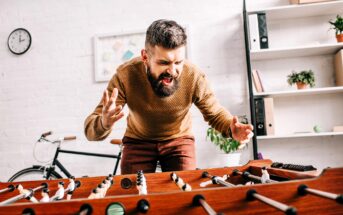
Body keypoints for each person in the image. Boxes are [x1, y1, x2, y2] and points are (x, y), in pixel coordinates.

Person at [84, 19, 254, 174]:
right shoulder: (125, 75)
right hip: (138, 141)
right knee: (132, 194)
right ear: (145, 57)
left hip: (178, 140)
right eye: (164, 63)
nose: (172, 71)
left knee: (183, 192)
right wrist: (104, 123)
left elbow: (215, 113)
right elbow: (91, 131)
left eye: (178, 62)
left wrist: (232, 129)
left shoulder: (193, 76)